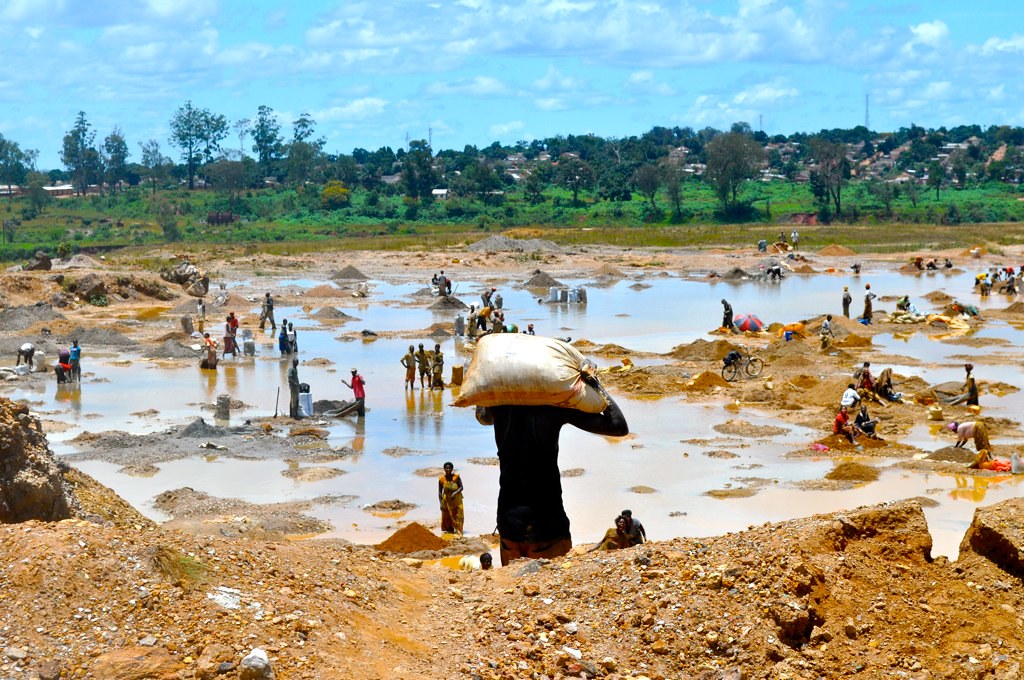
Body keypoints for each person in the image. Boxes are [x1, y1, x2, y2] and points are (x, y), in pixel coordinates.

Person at [475, 374, 628, 566]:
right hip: (548, 526)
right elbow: (618, 427)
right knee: (549, 591)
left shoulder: (498, 409)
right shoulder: (554, 409)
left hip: (509, 527)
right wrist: (595, 384)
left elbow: (481, 412)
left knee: (514, 590)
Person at [438, 461, 464, 536]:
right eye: (446, 468)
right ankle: (450, 531)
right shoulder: (441, 479)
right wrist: (441, 503)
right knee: (447, 516)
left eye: (449, 468)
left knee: (459, 515)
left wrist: (455, 493)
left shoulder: (456, 477)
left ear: (452, 469)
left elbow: (461, 487)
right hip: (446, 500)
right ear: (444, 469)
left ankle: (459, 531)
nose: (448, 470)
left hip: (457, 500)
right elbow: (440, 492)